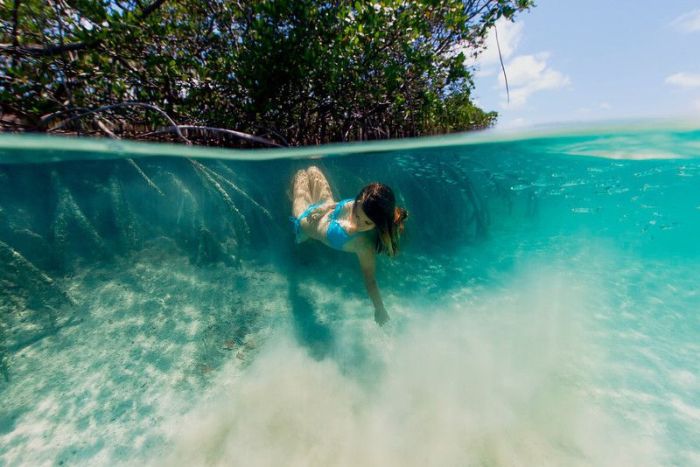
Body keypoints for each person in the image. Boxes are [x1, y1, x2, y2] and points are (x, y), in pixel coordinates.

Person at [291, 166, 408, 325]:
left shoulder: (363, 246)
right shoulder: (363, 203)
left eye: (367, 223)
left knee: (299, 176)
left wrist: (379, 308)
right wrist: (325, 207)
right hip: (325, 205)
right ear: (359, 200)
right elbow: (341, 205)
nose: (359, 223)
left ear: (377, 225)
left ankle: (302, 240)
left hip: (304, 220)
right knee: (312, 169)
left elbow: (370, 280)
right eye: (357, 214)